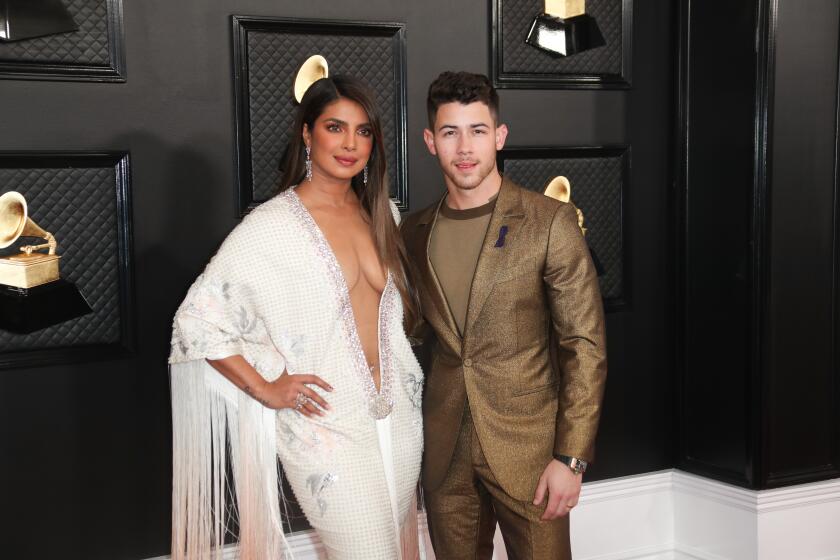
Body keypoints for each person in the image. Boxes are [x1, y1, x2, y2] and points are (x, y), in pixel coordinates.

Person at [169, 75, 424, 560]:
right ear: (307, 135)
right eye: (335, 127)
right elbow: (196, 322)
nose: (351, 144)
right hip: (327, 431)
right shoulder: (271, 227)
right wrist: (266, 388)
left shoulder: (383, 216)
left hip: (401, 421)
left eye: (364, 131)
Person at [401, 71, 607, 559]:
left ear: (500, 136)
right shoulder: (413, 233)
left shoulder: (549, 222)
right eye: (450, 132)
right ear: (431, 141)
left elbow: (584, 346)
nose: (465, 147)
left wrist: (571, 458)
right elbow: (409, 334)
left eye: (477, 130)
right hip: (445, 450)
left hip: (531, 452)